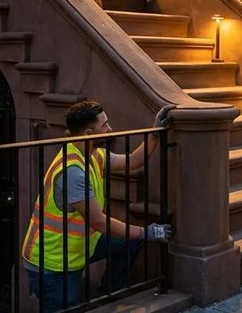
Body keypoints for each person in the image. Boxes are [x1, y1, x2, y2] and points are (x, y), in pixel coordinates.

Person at [21, 100, 173, 311]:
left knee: (131, 242)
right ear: (88, 134)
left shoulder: (93, 154)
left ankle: (105, 300)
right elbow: (99, 222)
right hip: (52, 263)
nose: (110, 129)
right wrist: (147, 232)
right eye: (105, 125)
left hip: (79, 247)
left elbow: (132, 161)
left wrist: (155, 132)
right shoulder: (73, 171)